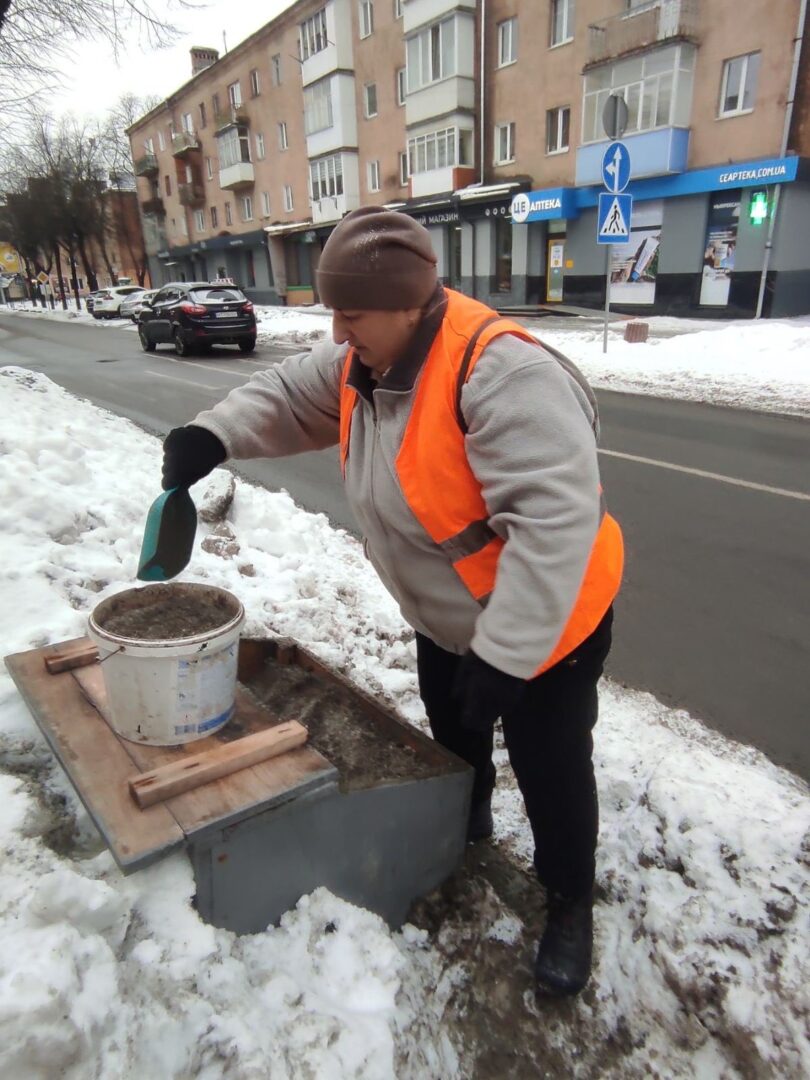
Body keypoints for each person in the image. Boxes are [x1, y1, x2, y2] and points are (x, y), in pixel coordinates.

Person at [161, 206, 624, 997]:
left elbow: (555, 529)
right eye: (333, 312)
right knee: (456, 733)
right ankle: (465, 822)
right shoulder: (363, 361)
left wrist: (507, 655)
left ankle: (569, 901)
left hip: (550, 626)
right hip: (450, 618)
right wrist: (213, 435)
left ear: (410, 303)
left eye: (352, 314)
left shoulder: (500, 374)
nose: (337, 332)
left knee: (550, 768)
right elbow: (285, 395)